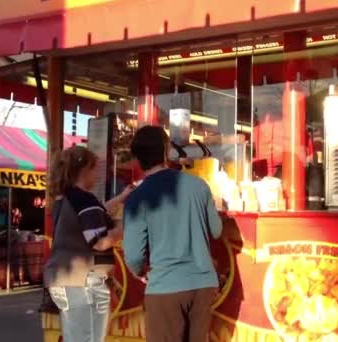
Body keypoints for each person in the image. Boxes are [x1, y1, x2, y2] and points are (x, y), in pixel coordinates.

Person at [123, 126, 223, 342]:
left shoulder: (137, 197)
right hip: (203, 285)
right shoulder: (199, 185)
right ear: (166, 151)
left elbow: (133, 255)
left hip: (164, 287)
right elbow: (217, 230)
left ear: (138, 158)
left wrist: (139, 272)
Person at [44, 145, 132, 342]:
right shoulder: (84, 199)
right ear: (84, 170)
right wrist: (126, 227)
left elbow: (97, 212)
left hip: (65, 280)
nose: (99, 175)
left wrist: (122, 197)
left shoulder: (66, 197)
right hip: (84, 282)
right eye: (95, 169)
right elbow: (99, 242)